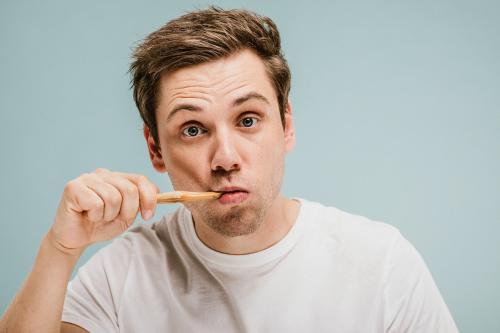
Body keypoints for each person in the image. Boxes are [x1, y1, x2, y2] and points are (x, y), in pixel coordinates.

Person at [0, 7, 458, 333]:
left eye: (247, 121)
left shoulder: (381, 264)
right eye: (194, 129)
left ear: (287, 126)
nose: (225, 158)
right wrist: (59, 248)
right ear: (155, 150)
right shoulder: (122, 273)